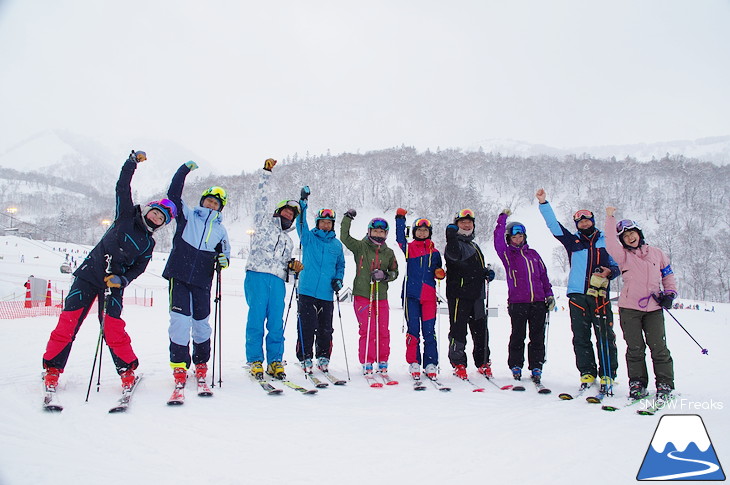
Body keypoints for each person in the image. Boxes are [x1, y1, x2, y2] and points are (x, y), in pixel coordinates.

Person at [42, 151, 177, 392]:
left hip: (113, 284)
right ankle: (52, 369)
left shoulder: (149, 243)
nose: (156, 218)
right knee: (68, 323)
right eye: (156, 212)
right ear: (148, 210)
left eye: (161, 219)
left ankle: (127, 371)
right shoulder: (126, 215)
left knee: (113, 326)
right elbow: (122, 187)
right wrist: (131, 163)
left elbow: (138, 268)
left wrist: (122, 279)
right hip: (88, 275)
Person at [536, 188, 620, 393]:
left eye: (587, 219)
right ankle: (586, 372)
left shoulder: (605, 240)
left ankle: (608, 372)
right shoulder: (573, 241)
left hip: (600, 295)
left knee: (605, 335)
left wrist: (610, 272)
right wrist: (543, 203)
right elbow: (554, 226)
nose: (583, 222)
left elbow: (617, 264)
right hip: (577, 295)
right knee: (581, 336)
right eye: (580, 220)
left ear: (593, 220)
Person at [162, 160, 230, 390]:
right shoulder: (188, 215)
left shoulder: (221, 230)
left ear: (220, 208)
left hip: (203, 281)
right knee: (180, 322)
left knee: (201, 325)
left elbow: (226, 255)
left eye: (216, 203)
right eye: (209, 200)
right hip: (179, 276)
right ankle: (180, 364)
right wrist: (183, 171)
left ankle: (201, 363)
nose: (211, 204)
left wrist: (224, 261)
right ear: (202, 201)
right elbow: (172, 194)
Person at [604, 207, 678, 399]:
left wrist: (669, 294)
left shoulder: (657, 254)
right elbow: (610, 242)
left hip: (654, 308)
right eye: (625, 236)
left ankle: (664, 383)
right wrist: (610, 218)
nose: (630, 237)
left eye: (632, 233)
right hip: (630, 309)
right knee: (635, 348)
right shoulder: (623, 256)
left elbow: (668, 276)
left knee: (659, 348)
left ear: (639, 234)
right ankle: (637, 382)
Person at [245, 158, 303, 380]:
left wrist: (292, 267)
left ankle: (275, 361)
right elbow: (261, 199)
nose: (289, 215)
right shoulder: (262, 223)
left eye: (292, 214)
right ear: (279, 211)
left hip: (278, 281)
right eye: (286, 211)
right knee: (256, 319)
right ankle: (255, 360)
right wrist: (266, 173)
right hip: (257, 275)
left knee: (276, 323)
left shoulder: (289, 241)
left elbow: (287, 268)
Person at [493, 210, 554, 384]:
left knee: (537, 336)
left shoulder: (533, 254)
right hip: (518, 302)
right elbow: (497, 240)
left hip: (538, 302)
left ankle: (536, 366)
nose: (518, 239)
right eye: (514, 237)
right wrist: (502, 219)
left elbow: (543, 277)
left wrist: (549, 295)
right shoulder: (507, 255)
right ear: (509, 239)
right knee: (518, 335)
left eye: (520, 236)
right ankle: (516, 365)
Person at [294, 186, 346, 374]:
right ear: (317, 223)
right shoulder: (309, 239)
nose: (326, 225)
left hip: (326, 293)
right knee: (307, 326)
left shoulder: (336, 245)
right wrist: (303, 203)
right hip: (307, 291)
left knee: (325, 329)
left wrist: (338, 280)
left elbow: (341, 265)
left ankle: (323, 356)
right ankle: (305, 356)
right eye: (323, 222)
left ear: (332, 224)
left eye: (329, 223)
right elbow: (300, 223)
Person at [340, 210, 398, 375]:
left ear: (386, 233)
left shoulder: (388, 252)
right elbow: (345, 237)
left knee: (382, 330)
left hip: (381, 296)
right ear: (369, 231)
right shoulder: (361, 247)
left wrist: (385, 275)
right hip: (363, 295)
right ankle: (367, 360)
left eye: (381, 231)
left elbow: (395, 272)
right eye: (375, 230)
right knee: (367, 329)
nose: (378, 234)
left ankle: (382, 359)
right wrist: (347, 219)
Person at [444, 209, 495, 380]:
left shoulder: (474, 245)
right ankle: (458, 363)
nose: (466, 225)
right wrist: (450, 237)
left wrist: (485, 273)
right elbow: (453, 255)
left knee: (481, 330)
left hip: (477, 295)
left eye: (469, 222)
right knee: (458, 331)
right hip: (459, 295)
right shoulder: (455, 243)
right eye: (462, 222)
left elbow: (473, 269)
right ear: (456, 225)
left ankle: (483, 362)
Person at [394, 208, 445, 380]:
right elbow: (400, 238)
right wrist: (400, 219)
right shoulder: (409, 249)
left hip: (429, 297)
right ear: (415, 232)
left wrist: (440, 273)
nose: (422, 233)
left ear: (429, 233)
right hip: (411, 296)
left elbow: (439, 270)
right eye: (419, 230)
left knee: (429, 331)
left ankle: (431, 363)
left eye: (425, 230)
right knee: (413, 330)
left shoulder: (436, 253)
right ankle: (414, 362)